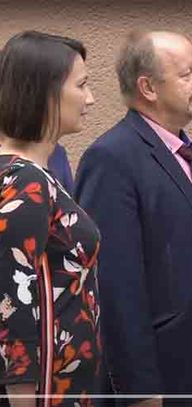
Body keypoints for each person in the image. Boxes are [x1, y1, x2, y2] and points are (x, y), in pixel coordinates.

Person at [74, 30, 192, 406]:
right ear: (148, 87)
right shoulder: (113, 158)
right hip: (162, 379)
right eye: (187, 73)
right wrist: (141, 392)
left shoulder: (184, 151)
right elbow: (115, 288)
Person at [0, 31, 101, 406]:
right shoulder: (23, 180)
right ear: (45, 91)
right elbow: (13, 304)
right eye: (82, 85)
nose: (90, 99)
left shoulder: (36, 174)